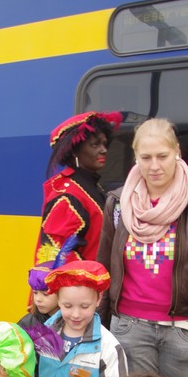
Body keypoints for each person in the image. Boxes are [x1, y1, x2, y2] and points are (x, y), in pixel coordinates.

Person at [97, 117, 188, 377]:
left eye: (162, 156)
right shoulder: (118, 203)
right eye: (146, 157)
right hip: (130, 328)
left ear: (177, 152)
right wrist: (97, 328)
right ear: (135, 157)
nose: (154, 166)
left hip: (182, 330)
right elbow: (103, 271)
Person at [37, 259, 127, 377]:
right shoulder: (42, 337)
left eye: (84, 306)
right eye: (67, 306)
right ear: (58, 300)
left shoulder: (108, 347)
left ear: (98, 299)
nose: (76, 314)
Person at [35, 110, 122, 263]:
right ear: (75, 151)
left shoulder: (92, 186)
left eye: (104, 144)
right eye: (95, 145)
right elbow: (59, 256)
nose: (104, 150)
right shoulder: (68, 195)